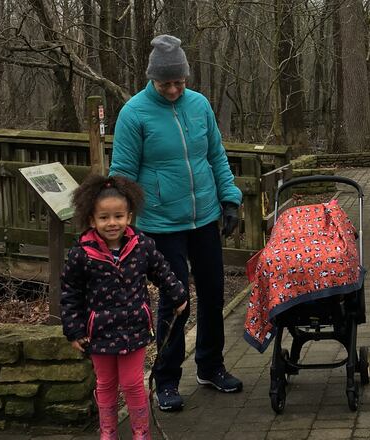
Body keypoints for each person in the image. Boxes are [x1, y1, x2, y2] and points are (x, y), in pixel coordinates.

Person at [109, 34, 244, 412]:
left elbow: (216, 156)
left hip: (205, 217)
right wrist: (122, 225)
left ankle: (211, 367)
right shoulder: (134, 114)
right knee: (175, 299)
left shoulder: (199, 105)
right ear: (152, 78)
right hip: (161, 223)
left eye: (179, 82)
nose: (172, 90)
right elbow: (122, 174)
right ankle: (166, 379)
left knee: (213, 294)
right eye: (165, 83)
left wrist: (230, 199)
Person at [60, 175, 188, 440]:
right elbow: (70, 292)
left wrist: (177, 295)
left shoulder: (141, 246)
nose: (112, 223)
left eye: (118, 216)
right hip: (99, 333)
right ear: (92, 220)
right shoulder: (81, 254)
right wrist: (74, 330)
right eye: (104, 217)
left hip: (133, 328)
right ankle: (108, 431)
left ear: (129, 216)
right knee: (105, 383)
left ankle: (141, 431)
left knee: (132, 383)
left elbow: (162, 271)